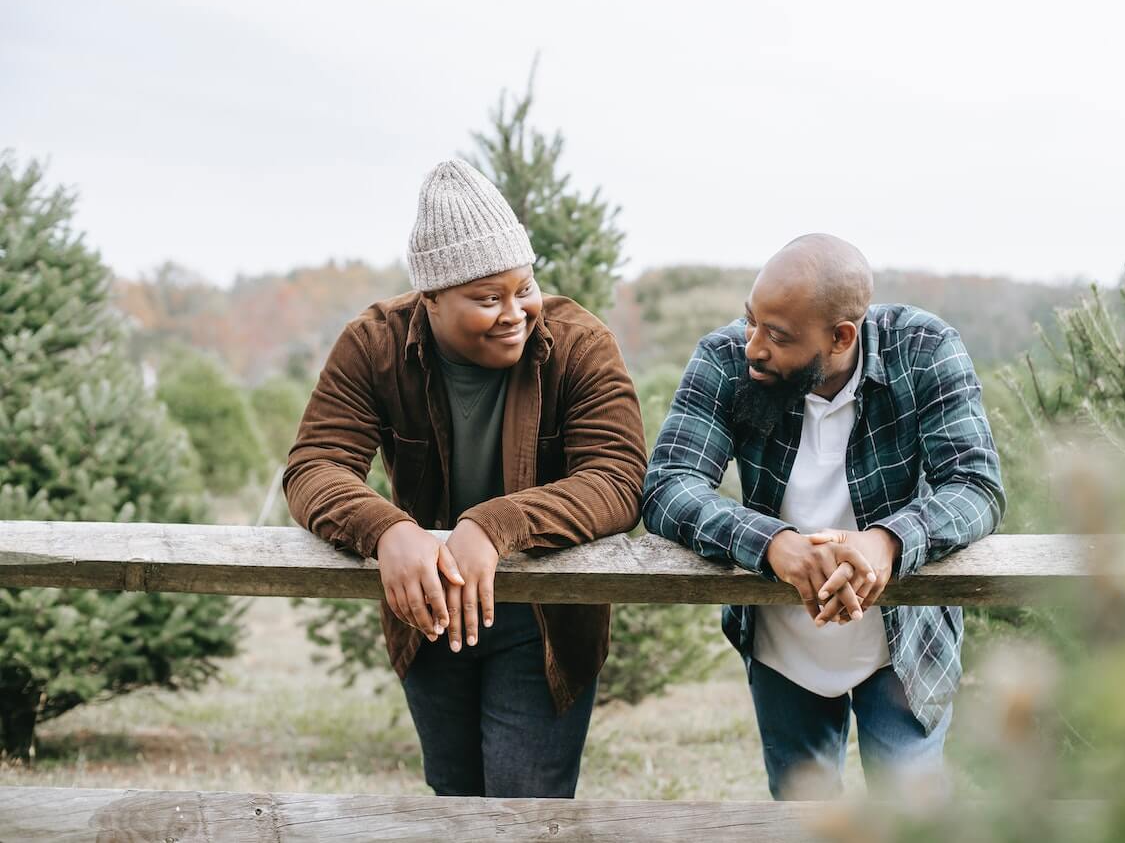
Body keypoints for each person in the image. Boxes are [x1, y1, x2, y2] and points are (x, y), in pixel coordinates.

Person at [284, 159, 646, 798]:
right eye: (487, 298)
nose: (516, 313)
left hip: (545, 620)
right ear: (430, 300)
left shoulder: (580, 342)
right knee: (452, 803)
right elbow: (314, 466)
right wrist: (388, 532)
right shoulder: (373, 345)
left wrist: (493, 524)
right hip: (427, 611)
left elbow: (617, 478)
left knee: (524, 809)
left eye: (524, 287)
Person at [643, 233, 1005, 798]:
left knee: (910, 819)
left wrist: (886, 543)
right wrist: (772, 544)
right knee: (803, 819)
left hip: (905, 641)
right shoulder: (725, 358)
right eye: (751, 321)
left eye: (778, 336)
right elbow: (668, 486)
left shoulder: (927, 349)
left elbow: (976, 485)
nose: (754, 346)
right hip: (780, 639)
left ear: (841, 337)